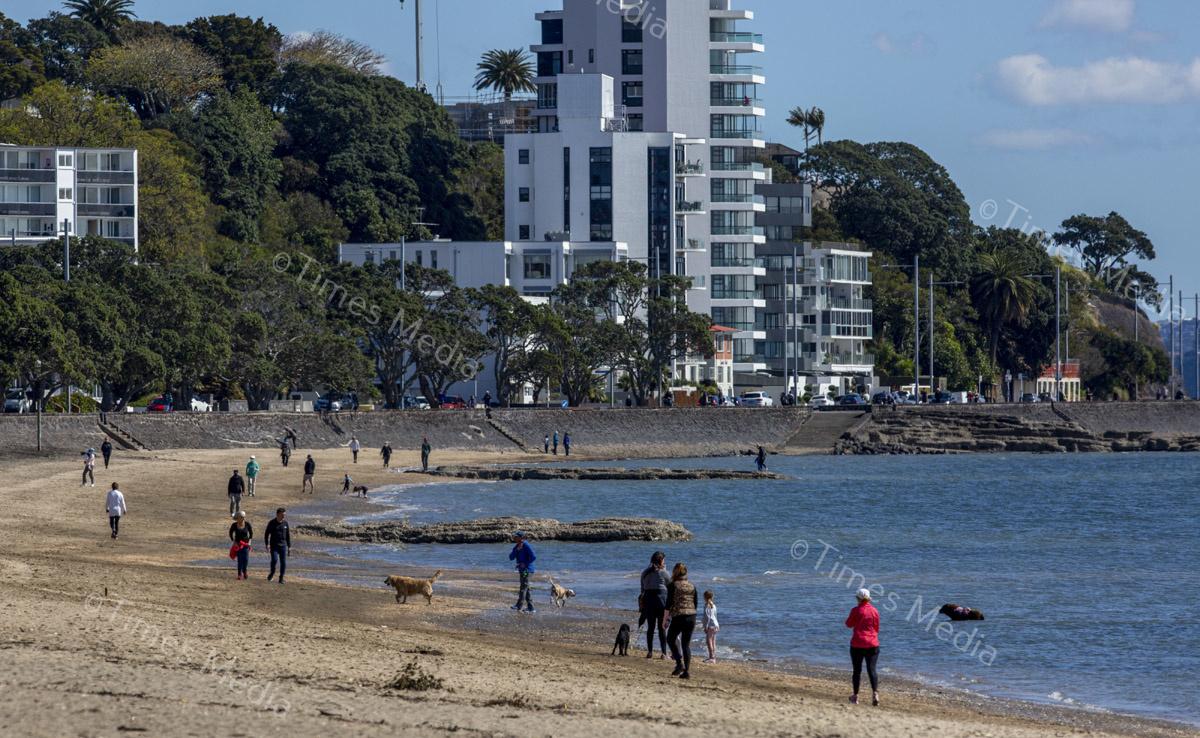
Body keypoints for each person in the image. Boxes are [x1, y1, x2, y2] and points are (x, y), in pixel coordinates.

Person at [845, 588, 881, 706]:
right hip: (872, 643)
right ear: (868, 599)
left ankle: (855, 696)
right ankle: (875, 693)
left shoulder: (855, 610)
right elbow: (876, 628)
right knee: (872, 670)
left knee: (857, 671)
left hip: (858, 643)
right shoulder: (875, 611)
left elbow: (848, 624)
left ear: (858, 598)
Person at [665, 562, 698, 679]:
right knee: (686, 645)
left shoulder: (672, 585)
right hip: (691, 616)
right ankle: (687, 671)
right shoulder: (692, 586)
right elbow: (695, 603)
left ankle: (679, 663)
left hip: (679, 616)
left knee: (670, 639)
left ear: (675, 572)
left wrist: (665, 620)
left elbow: (668, 605)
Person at [640, 551, 670, 658]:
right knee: (662, 628)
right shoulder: (663, 573)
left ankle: (650, 652)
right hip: (661, 601)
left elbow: (642, 589)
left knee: (650, 628)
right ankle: (663, 653)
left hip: (649, 601)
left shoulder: (645, 572)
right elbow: (670, 587)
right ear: (661, 561)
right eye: (664, 560)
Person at [508, 530, 537, 613]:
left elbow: (534, 557)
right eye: (514, 536)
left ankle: (519, 606)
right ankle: (531, 608)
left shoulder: (526, 545)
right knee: (526, 588)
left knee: (523, 588)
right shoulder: (517, 546)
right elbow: (511, 557)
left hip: (528, 570)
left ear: (521, 538)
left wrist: (525, 563)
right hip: (522, 570)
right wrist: (517, 549)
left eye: (516, 536)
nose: (514, 537)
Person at [265, 507, 291, 584]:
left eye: (284, 515)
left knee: (283, 562)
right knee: (275, 560)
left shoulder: (285, 523)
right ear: (278, 514)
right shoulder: (272, 523)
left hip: (283, 545)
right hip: (274, 546)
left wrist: (289, 546)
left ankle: (281, 578)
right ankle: (272, 573)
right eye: (282, 515)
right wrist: (267, 544)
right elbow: (266, 534)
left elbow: (288, 536)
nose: (284, 516)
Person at [229, 511, 253, 580]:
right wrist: (234, 541)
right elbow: (230, 533)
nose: (243, 518)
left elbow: (251, 534)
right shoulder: (234, 525)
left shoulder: (247, 524)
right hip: (238, 544)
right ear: (238, 518)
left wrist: (250, 542)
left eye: (244, 517)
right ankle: (239, 574)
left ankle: (244, 571)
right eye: (242, 517)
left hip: (246, 544)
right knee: (239, 560)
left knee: (245, 559)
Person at [703, 590, 720, 664]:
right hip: (715, 625)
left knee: (709, 641)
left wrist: (705, 626)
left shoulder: (707, 605)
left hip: (710, 625)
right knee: (713, 641)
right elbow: (715, 616)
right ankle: (713, 657)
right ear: (712, 597)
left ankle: (712, 658)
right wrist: (718, 625)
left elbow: (708, 617)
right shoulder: (714, 605)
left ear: (704, 597)